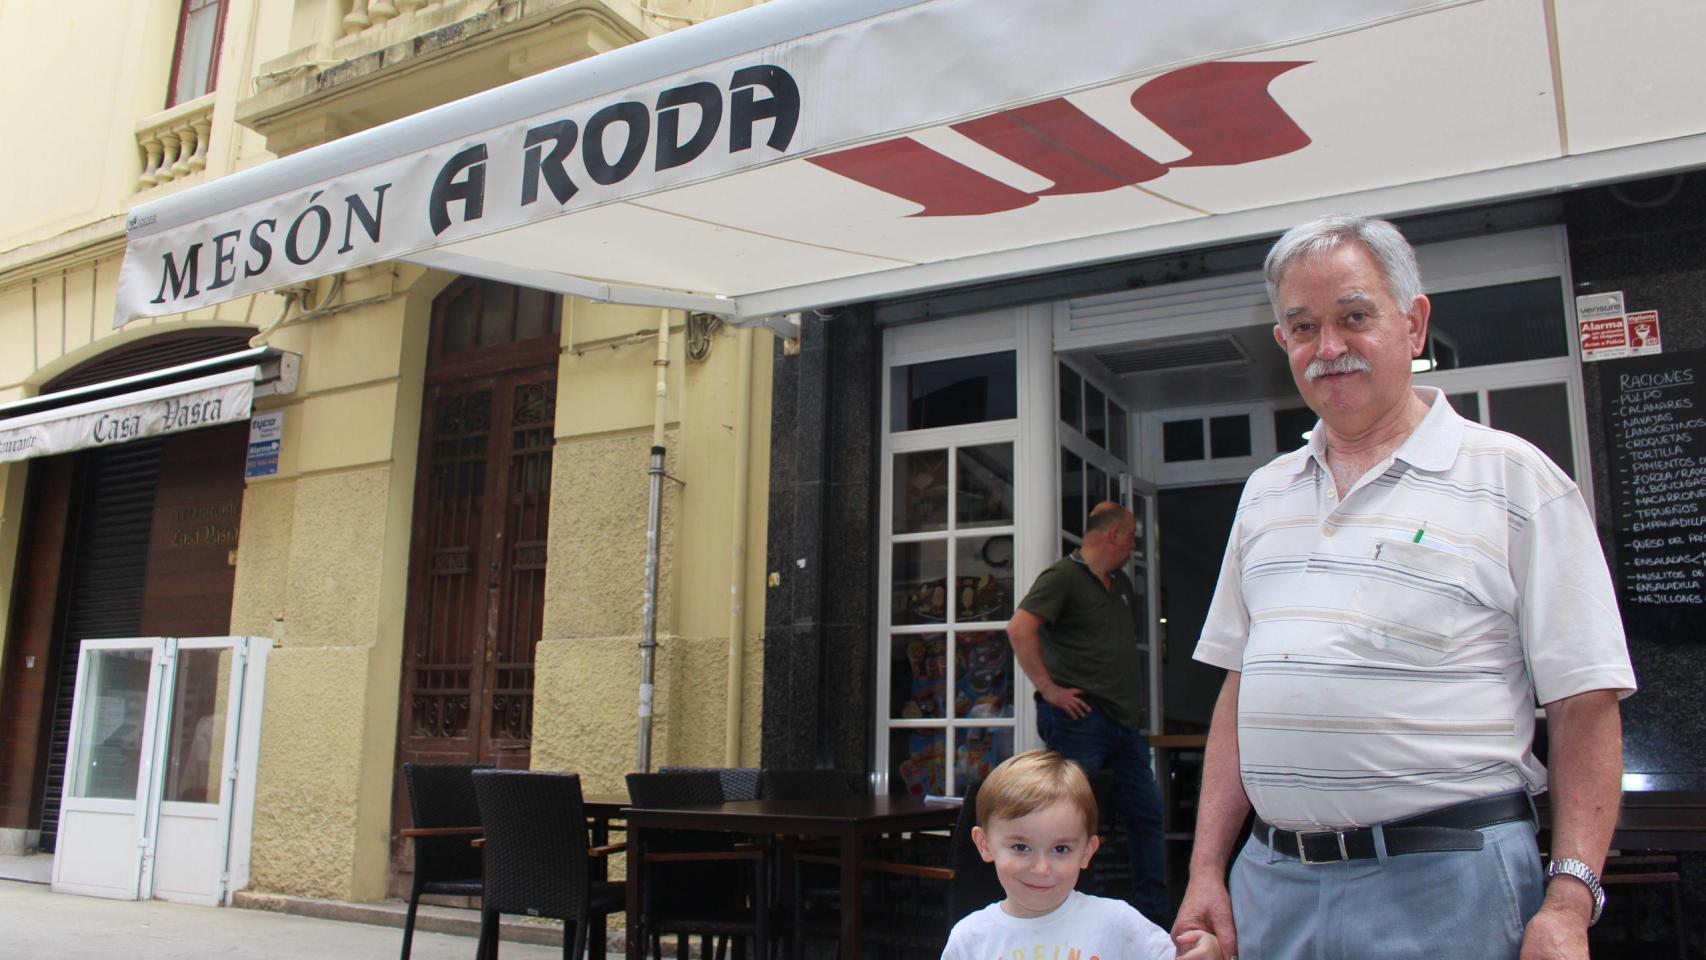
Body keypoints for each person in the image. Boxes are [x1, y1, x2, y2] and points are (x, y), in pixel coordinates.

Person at [1171, 215, 1636, 960]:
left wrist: (1570, 899)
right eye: (1302, 326)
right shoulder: (1263, 495)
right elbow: (1240, 690)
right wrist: (1205, 872)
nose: (1328, 348)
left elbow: (1586, 701)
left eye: (1354, 317)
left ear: (1414, 325)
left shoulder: (1516, 481)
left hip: (1452, 887)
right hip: (1273, 888)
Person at [1006, 503, 1169, 923]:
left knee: (1146, 813)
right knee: (1072, 818)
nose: (1134, 544)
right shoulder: (1063, 577)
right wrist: (1049, 690)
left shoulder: (1120, 585)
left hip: (1122, 722)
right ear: (1113, 535)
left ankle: (1153, 913)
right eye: (1131, 535)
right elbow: (1019, 628)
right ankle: (1076, 912)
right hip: (1080, 719)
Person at [944, 750, 1220, 960]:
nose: (1041, 868)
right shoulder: (970, 940)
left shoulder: (1117, 922)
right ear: (984, 844)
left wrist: (1212, 952)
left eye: (1060, 849)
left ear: (1087, 852)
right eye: (1021, 847)